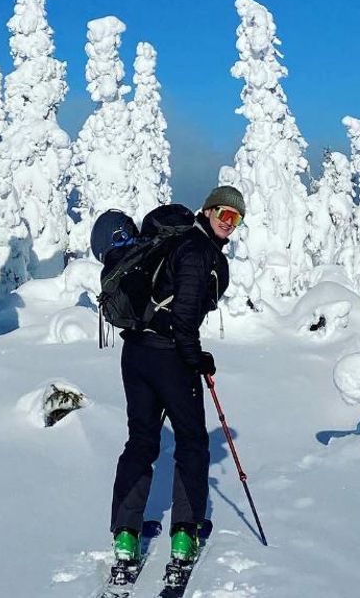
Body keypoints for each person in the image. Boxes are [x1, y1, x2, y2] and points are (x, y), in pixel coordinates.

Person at [108, 185, 241, 566]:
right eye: (224, 215)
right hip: (169, 358)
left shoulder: (179, 242)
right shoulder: (197, 251)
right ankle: (185, 534)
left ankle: (126, 534)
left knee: (142, 442)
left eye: (236, 219)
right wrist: (196, 358)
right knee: (193, 443)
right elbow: (183, 318)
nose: (229, 224)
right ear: (208, 210)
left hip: (135, 354)